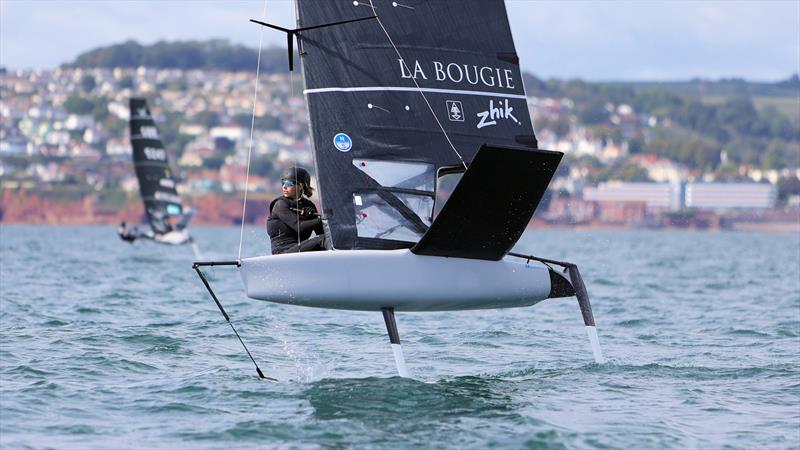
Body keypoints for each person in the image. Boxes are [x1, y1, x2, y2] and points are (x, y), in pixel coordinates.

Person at [267, 167, 326, 254]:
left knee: (327, 238)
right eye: (283, 182)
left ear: (301, 186)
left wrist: (312, 216)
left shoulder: (309, 205)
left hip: (300, 251)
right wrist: (322, 219)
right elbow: (299, 227)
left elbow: (320, 231)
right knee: (322, 240)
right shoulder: (280, 204)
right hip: (283, 252)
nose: (284, 186)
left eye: (289, 183)